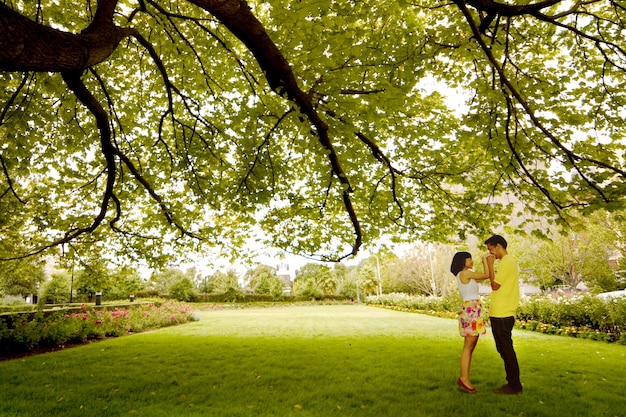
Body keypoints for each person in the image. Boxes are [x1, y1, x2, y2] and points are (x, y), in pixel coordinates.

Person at [450, 251, 493, 393]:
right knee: (468, 347)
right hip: (471, 311)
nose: (472, 261)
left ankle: (464, 378)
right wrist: (484, 260)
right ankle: (464, 379)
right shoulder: (465, 273)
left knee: (470, 346)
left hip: (472, 310)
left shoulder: (467, 274)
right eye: (470, 259)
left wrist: (485, 262)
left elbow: (484, 277)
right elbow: (486, 275)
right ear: (463, 261)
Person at [485, 234, 523, 395]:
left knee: (506, 350)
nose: (490, 253)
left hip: (503, 314)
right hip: (499, 313)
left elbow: (494, 285)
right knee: (503, 349)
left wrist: (490, 265)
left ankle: (514, 386)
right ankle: (512, 384)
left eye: (491, 249)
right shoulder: (506, 263)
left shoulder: (507, 262)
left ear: (499, 246)